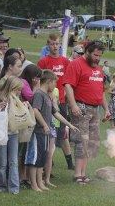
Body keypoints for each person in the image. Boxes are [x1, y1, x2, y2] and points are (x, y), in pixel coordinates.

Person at [63, 41, 110, 184]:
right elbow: (68, 86)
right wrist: (73, 105)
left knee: (91, 143)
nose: (97, 58)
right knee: (81, 140)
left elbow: (101, 91)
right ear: (87, 52)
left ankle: (83, 173)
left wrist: (106, 109)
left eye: (100, 56)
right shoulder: (76, 64)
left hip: (96, 108)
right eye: (95, 55)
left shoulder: (98, 69)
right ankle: (78, 174)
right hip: (81, 107)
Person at [25, 70, 79, 192]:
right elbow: (35, 110)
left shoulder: (48, 96)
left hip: (45, 132)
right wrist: (44, 125)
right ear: (49, 82)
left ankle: (40, 182)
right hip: (38, 131)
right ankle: (34, 184)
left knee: (42, 159)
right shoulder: (39, 94)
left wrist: (69, 124)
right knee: (35, 159)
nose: (55, 85)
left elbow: (55, 113)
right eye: (54, 82)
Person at [38, 33, 75, 170]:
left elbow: (70, 82)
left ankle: (70, 162)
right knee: (48, 132)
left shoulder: (65, 62)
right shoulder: (43, 62)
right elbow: (39, 82)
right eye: (52, 44)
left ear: (60, 44)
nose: (55, 46)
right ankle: (49, 163)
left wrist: (70, 100)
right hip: (47, 101)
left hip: (62, 101)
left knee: (63, 133)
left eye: (57, 44)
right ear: (48, 45)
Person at [0, 76, 24, 194]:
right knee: (2, 162)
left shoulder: (17, 99)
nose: (19, 92)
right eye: (17, 89)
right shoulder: (1, 97)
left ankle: (14, 188)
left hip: (14, 133)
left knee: (13, 161)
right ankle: (1, 186)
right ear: (11, 87)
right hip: (3, 133)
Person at [18, 64, 42, 187]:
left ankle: (24, 176)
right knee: (22, 150)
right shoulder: (23, 82)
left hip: (25, 119)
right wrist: (36, 87)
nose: (37, 80)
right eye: (36, 77)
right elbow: (31, 97)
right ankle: (21, 176)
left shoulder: (28, 83)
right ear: (31, 76)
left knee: (24, 149)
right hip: (21, 120)